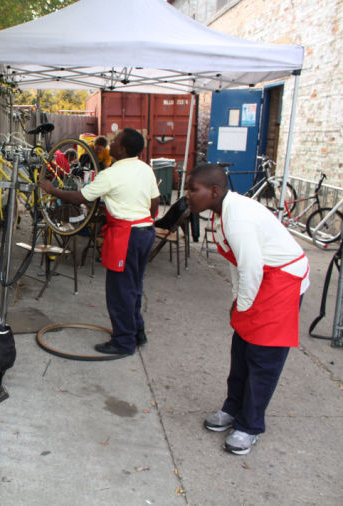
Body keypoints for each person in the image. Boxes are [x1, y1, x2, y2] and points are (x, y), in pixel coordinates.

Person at [185, 163, 310, 455]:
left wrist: (243, 304)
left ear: (214, 191)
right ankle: (233, 408)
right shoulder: (221, 213)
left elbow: (251, 267)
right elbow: (238, 262)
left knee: (263, 358)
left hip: (282, 280)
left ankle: (250, 425)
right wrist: (238, 299)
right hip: (260, 279)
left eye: (193, 189)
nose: (187, 195)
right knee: (241, 350)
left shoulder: (238, 218)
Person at [38, 128, 159, 356]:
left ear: (122, 149)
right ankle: (137, 332)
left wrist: (52, 190)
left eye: (115, 141)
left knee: (120, 290)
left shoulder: (111, 174)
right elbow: (154, 205)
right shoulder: (145, 169)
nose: (110, 143)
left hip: (126, 235)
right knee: (134, 286)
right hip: (145, 232)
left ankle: (124, 342)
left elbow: (81, 197)